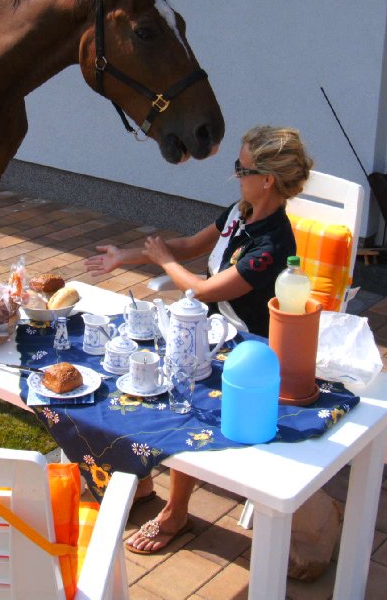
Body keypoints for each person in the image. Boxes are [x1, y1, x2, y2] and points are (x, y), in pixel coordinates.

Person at [84, 125, 313, 554]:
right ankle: (138, 476)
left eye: (241, 168)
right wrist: (126, 256)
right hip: (205, 330)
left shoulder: (272, 244)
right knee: (134, 366)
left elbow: (206, 290)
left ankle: (177, 512)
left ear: (268, 179)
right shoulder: (239, 213)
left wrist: (164, 260)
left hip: (249, 351)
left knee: (186, 399)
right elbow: (189, 246)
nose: (234, 175)